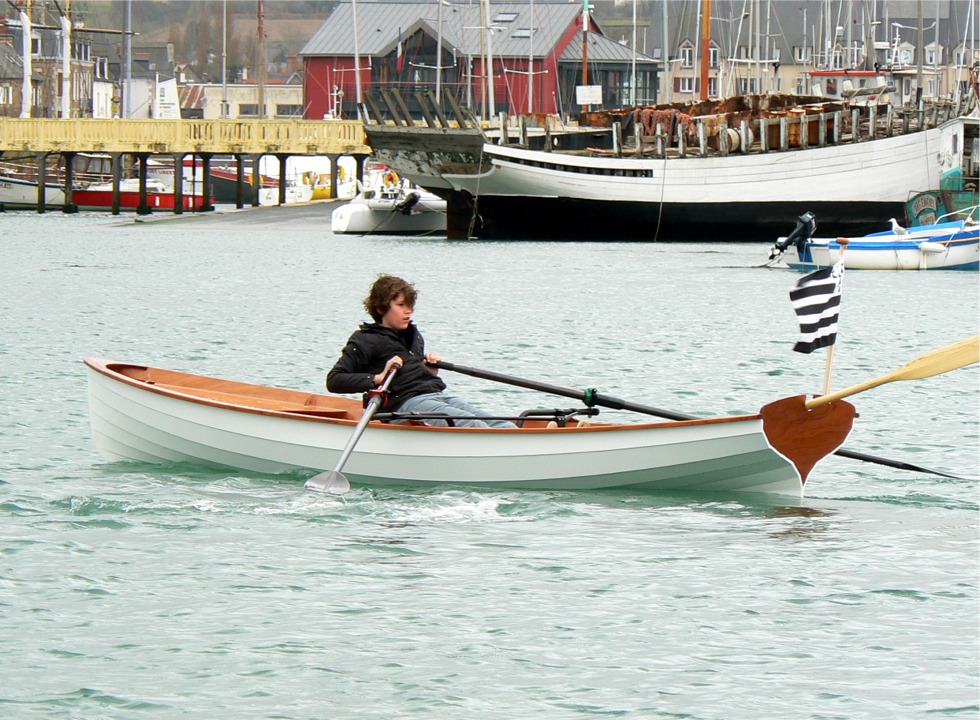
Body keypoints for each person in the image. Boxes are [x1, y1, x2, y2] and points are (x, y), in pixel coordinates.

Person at [327, 275, 515, 428]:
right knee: (473, 425)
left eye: (410, 306)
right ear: (381, 308)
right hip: (402, 404)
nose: (408, 312)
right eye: (401, 306)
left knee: (502, 425)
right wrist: (379, 378)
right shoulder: (365, 339)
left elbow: (413, 376)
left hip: (434, 395)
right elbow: (334, 380)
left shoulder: (414, 336)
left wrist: (428, 372)